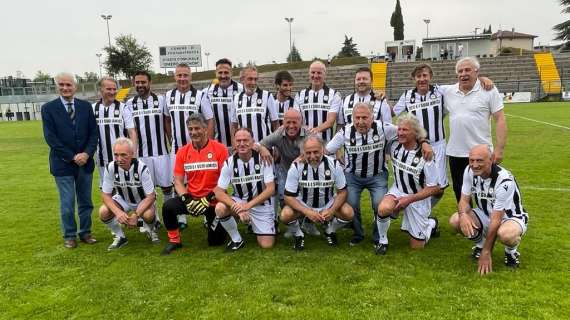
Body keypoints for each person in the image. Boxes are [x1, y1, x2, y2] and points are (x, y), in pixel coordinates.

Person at [327, 103, 412, 246]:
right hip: (352, 176)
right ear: (352, 118)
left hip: (377, 175)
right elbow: (327, 150)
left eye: (364, 117)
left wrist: (424, 142)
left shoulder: (383, 127)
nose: (360, 122)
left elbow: (408, 132)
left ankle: (378, 236)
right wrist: (303, 157)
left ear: (372, 117)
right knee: (351, 203)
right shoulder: (345, 132)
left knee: (380, 204)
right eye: (357, 118)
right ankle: (358, 233)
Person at [448, 145, 528, 275]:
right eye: (471, 160)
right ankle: (480, 245)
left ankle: (511, 251)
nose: (474, 165)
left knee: (505, 235)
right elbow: (464, 200)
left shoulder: (504, 181)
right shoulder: (469, 171)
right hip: (485, 213)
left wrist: (487, 252)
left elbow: (496, 219)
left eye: (479, 160)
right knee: (456, 220)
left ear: (491, 160)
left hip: (510, 218)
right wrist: (463, 215)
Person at [41, 72, 98, 248]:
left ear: (75, 86)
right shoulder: (48, 109)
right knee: (67, 203)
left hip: (85, 163)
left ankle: (85, 232)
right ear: (57, 86)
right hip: (63, 164)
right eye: (62, 85)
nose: (65, 88)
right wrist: (72, 156)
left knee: (86, 202)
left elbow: (93, 134)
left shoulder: (85, 107)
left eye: (69, 85)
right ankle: (69, 235)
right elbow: (51, 138)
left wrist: (87, 154)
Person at [439, 57, 507, 203]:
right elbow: (424, 86)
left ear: (477, 72)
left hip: (482, 153)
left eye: (468, 70)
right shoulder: (448, 91)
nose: (463, 74)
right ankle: (467, 223)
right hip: (456, 153)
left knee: (488, 193)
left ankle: (491, 222)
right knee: (461, 193)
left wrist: (499, 149)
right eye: (460, 71)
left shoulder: (489, 90)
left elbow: (500, 119)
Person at [161, 113, 229, 255]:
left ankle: (227, 221)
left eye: (197, 128)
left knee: (215, 242)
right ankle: (174, 240)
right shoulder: (183, 152)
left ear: (205, 129)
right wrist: (187, 199)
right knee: (168, 207)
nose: (193, 132)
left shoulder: (220, 149)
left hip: (213, 201)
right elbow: (178, 181)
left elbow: (224, 182)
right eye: (190, 129)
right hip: (192, 199)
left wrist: (208, 198)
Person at [375, 114, 441, 255]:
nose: (400, 133)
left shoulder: (426, 155)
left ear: (415, 133)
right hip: (398, 190)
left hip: (417, 198)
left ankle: (431, 224)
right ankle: (382, 241)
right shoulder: (394, 145)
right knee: (383, 209)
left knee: (416, 247)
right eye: (399, 129)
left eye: (405, 130)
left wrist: (409, 199)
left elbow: (435, 187)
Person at [281, 135, 354, 250]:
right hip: (304, 204)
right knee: (285, 215)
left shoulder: (334, 164)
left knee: (348, 213)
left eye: (316, 152)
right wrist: (307, 211)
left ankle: (330, 231)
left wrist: (331, 210)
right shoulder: (296, 166)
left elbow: (342, 192)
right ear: (303, 152)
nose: (312, 156)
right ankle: (299, 235)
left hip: (327, 204)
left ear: (322, 150)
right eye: (308, 153)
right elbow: (288, 196)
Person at [165, 63, 213, 229]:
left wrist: (209, 144)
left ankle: (208, 215)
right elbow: (167, 119)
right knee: (178, 183)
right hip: (178, 149)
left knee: (204, 180)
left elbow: (209, 120)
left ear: (190, 77)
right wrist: (172, 139)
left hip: (199, 149)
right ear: (175, 77)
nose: (182, 79)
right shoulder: (168, 95)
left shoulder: (200, 95)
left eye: (185, 75)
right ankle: (181, 219)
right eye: (179, 75)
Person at [214, 128, 276, 250]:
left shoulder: (263, 158)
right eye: (238, 141)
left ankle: (256, 224)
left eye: (245, 140)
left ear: (253, 141)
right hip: (240, 202)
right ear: (234, 143)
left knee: (267, 245)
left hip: (261, 205)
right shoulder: (229, 162)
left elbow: (270, 189)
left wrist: (248, 206)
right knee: (220, 208)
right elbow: (218, 191)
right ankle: (237, 240)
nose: (242, 144)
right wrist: (238, 207)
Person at [125, 71, 175, 207]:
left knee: (167, 187)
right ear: (133, 83)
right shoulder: (129, 104)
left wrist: (172, 143)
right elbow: (131, 131)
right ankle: (152, 220)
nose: (140, 85)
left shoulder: (161, 100)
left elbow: (167, 122)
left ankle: (169, 215)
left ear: (150, 83)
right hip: (141, 155)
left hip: (161, 153)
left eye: (143, 82)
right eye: (137, 82)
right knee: (147, 190)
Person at [99, 138, 158, 250]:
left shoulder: (141, 168)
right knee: (103, 211)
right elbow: (105, 194)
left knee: (148, 215)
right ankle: (120, 236)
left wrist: (136, 215)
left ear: (132, 154)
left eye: (123, 155)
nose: (119, 159)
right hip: (123, 200)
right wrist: (118, 213)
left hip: (142, 200)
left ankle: (151, 228)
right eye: (116, 155)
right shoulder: (111, 167)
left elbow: (151, 196)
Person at [92, 77, 137, 187]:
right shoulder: (93, 108)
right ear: (100, 90)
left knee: (125, 188)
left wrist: (134, 154)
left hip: (122, 158)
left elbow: (132, 132)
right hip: (102, 158)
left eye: (114, 89)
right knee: (107, 189)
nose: (112, 92)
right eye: (109, 89)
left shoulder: (123, 108)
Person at [202, 58, 244, 152]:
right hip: (217, 145)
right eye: (220, 73)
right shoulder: (207, 92)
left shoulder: (241, 90)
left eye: (226, 72)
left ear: (231, 73)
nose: (223, 76)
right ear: (215, 73)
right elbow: (207, 120)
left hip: (239, 145)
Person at [294, 60, 342, 142]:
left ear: (325, 75)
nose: (315, 76)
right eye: (313, 72)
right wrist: (309, 131)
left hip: (326, 144)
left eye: (319, 73)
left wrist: (315, 130)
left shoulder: (334, 95)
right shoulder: (299, 95)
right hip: (306, 144)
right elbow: (297, 120)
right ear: (309, 74)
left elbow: (330, 121)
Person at [230, 66, 279, 144]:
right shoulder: (236, 98)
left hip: (264, 148)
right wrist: (234, 145)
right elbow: (234, 126)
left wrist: (277, 146)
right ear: (242, 79)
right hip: (244, 148)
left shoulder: (267, 96)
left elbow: (276, 124)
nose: (253, 82)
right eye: (250, 79)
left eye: (255, 79)